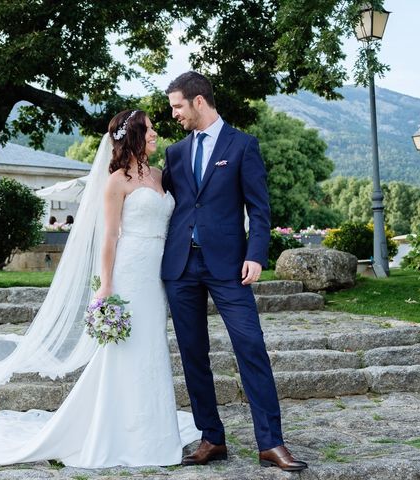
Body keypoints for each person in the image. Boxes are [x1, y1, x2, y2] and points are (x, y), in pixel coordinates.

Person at [0, 109, 199, 467]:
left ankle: (152, 430)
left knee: (153, 346)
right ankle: (118, 432)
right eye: (150, 129)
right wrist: (107, 287)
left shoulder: (161, 175)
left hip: (157, 274)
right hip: (129, 272)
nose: (157, 133)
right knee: (125, 350)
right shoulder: (116, 181)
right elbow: (109, 237)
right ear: (134, 135)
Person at [162, 71, 308, 471]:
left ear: (198, 101)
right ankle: (212, 438)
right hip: (181, 266)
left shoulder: (243, 145)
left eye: (177, 106)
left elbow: (259, 209)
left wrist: (257, 254)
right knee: (193, 353)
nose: (173, 114)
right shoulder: (174, 153)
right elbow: (167, 203)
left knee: (251, 346)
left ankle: (271, 442)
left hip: (230, 266)